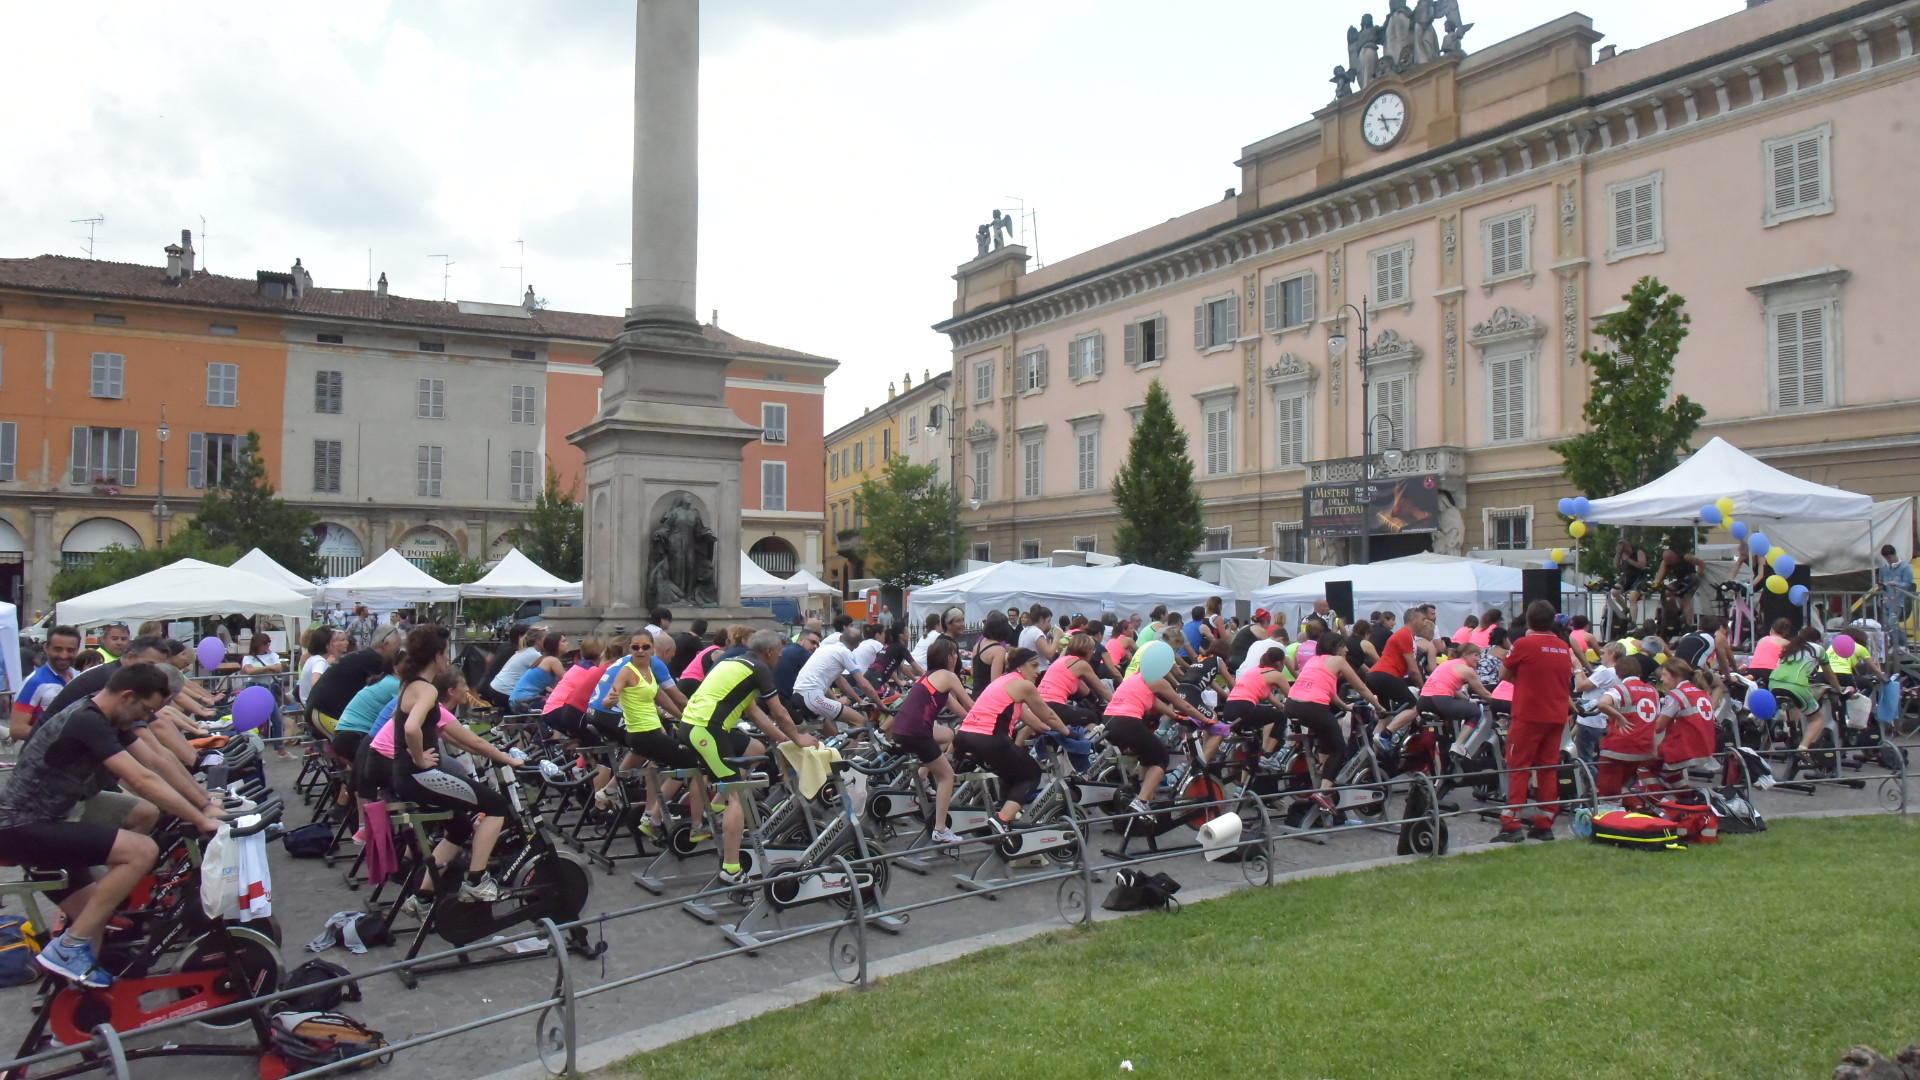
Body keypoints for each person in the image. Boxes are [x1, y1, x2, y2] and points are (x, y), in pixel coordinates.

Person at [0, 664, 224, 987]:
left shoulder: (107, 714)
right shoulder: (86, 721)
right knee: (140, 852)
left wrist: (205, 803)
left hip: (58, 815)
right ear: (127, 697)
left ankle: (81, 1004)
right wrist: (200, 818)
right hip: (23, 827)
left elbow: (155, 761)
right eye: (147, 709)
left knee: (139, 822)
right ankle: (68, 948)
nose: (147, 717)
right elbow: (141, 778)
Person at [391, 629, 524, 904]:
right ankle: (475, 880)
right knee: (497, 806)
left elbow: (468, 739)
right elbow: (411, 728)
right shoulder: (427, 689)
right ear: (439, 655)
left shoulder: (412, 685)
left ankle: (423, 896)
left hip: (407, 776)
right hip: (419, 774)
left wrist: (505, 758)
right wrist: (419, 759)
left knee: (460, 828)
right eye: (447, 651)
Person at [677, 631, 817, 884]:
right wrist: (799, 739)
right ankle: (730, 869)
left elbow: (754, 713)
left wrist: (782, 739)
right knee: (738, 794)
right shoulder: (760, 669)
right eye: (780, 650)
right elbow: (780, 712)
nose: (783, 654)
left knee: (754, 749)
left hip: (699, 726)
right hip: (706, 730)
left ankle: (717, 806)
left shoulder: (736, 662)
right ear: (770, 651)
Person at [956, 649, 1069, 829]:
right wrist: (1068, 733)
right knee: (1031, 774)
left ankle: (1003, 809)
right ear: (1019, 667)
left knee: (1010, 771)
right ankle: (1001, 820)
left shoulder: (1004, 682)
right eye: (1033, 666)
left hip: (964, 737)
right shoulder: (1023, 685)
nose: (1038, 671)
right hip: (989, 739)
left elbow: (1034, 720)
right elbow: (1049, 715)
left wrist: (1047, 731)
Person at [602, 631, 702, 831]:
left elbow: (660, 697)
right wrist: (609, 701)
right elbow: (609, 698)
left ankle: (643, 809)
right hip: (643, 734)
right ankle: (670, 820)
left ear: (652, 649)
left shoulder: (648, 671)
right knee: (696, 765)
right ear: (629, 649)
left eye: (645, 647)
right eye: (635, 647)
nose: (640, 651)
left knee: (663, 763)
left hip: (650, 734)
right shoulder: (627, 671)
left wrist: (684, 717)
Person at [1492, 600, 1574, 843]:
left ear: (1529, 620)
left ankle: (1511, 822)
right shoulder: (1562, 647)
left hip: (1529, 714)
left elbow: (1503, 674)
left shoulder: (1524, 644)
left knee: (1518, 766)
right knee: (1548, 767)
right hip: (1556, 715)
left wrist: (1526, 681)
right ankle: (1545, 821)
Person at [1285, 631, 1385, 817]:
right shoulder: (1337, 661)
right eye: (1343, 646)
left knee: (1326, 738)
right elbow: (1361, 687)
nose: (1347, 649)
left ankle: (1323, 778)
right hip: (1312, 706)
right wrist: (1379, 707)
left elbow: (1328, 690)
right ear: (1336, 648)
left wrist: (1344, 706)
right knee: (1339, 748)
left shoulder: (1314, 660)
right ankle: (1323, 793)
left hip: (1292, 704)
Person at [889, 638, 976, 845]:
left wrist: (972, 721)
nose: (958, 658)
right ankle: (940, 829)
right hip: (918, 732)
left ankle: (921, 776)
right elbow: (972, 705)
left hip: (902, 730)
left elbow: (964, 712)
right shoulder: (948, 676)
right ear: (950, 658)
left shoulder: (929, 678)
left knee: (947, 735)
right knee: (947, 776)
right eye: (956, 654)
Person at [1592, 653, 1661, 799]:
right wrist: (1654, 748)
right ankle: (1631, 809)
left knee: (1608, 793)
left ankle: (1610, 817)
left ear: (1618, 673)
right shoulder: (1653, 692)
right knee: (1623, 786)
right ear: (1639, 672)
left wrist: (1619, 717)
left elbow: (1602, 703)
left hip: (1617, 749)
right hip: (1642, 750)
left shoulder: (1620, 689)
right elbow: (1653, 722)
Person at [792, 624, 881, 728]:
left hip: (799, 695)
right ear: (858, 645)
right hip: (812, 698)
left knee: (831, 736)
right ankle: (851, 744)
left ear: (841, 638)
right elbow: (864, 684)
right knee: (859, 722)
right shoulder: (845, 653)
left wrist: (859, 700)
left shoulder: (826, 648)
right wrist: (881, 705)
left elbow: (840, 681)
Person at [1367, 608, 1428, 748]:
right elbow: (1413, 670)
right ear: (1413, 619)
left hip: (1375, 676)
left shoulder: (1406, 636)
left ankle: (1371, 753)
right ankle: (1385, 736)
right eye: (1423, 619)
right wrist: (1424, 689)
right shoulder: (1405, 635)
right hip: (1385, 675)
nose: (1425, 623)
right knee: (1415, 707)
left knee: (1386, 717)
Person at [1653, 658, 1718, 790]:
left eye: (1665, 675)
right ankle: (1686, 798)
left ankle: (1656, 802)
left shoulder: (1676, 695)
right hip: (1705, 747)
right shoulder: (1702, 692)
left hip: (1684, 749)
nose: (1662, 680)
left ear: (1676, 675)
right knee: (1672, 775)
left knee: (1644, 764)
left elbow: (1658, 727)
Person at [11, 624, 80, 740]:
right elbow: (17, 729)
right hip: (41, 755)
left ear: (78, 650)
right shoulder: (35, 681)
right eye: (58, 649)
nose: (64, 655)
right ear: (46, 648)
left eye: (70, 650)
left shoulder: (79, 677)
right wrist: (59, 736)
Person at [1036, 633, 1112, 729]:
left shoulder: (1062, 660)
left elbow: (1081, 686)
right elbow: (1102, 690)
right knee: (1093, 717)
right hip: (1054, 706)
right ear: (1088, 650)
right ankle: (1084, 742)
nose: (1093, 652)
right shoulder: (1081, 664)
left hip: (1039, 703)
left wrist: (1096, 701)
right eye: (1093, 649)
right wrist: (1118, 705)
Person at [543, 636, 606, 742]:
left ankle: (581, 757)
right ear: (602, 653)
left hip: (551, 711)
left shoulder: (579, 666)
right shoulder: (593, 670)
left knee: (587, 742)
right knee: (601, 741)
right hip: (561, 711)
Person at [1571, 642, 1627, 763]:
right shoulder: (1617, 672)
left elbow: (1580, 686)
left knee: (1585, 760)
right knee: (1598, 756)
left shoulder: (1606, 672)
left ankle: (1592, 780)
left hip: (1590, 720)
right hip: (1602, 719)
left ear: (1612, 654)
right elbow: (1590, 684)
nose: (1601, 656)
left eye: (1604, 653)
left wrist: (1577, 667)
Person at [1222, 647, 1290, 742]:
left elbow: (1269, 696)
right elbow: (1291, 697)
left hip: (1228, 710)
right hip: (1244, 709)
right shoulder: (1276, 674)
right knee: (1281, 717)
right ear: (1279, 663)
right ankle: (1268, 754)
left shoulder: (1253, 670)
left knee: (1254, 737)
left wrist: (1282, 706)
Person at [508, 631, 568, 714]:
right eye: (564, 641)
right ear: (555, 645)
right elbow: (569, 680)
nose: (567, 644)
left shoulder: (546, 658)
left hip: (516, 700)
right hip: (524, 701)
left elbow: (557, 685)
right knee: (562, 708)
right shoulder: (552, 660)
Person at [486, 625, 541, 711]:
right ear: (538, 641)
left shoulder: (511, 647)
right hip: (502, 690)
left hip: (493, 686)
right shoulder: (531, 653)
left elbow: (488, 660)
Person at [297, 626, 348, 710]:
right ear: (327, 645)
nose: (346, 642)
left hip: (312, 706)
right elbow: (315, 683)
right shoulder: (320, 661)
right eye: (333, 642)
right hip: (316, 709)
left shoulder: (315, 659)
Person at [1874, 545, 1913, 644]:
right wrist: (1881, 586)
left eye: (1889, 557)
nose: (1888, 560)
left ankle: (1902, 643)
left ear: (1894, 554)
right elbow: (1881, 580)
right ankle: (1894, 643)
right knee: (1887, 624)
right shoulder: (1884, 568)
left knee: (1892, 623)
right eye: (1886, 558)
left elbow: (1908, 583)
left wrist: (1897, 584)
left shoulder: (1905, 567)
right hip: (1884, 599)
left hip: (1897, 601)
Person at [1747, 618, 1793, 688]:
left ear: (1772, 629)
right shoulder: (1786, 643)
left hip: (1753, 669)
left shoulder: (1761, 640)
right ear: (1786, 632)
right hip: (1771, 671)